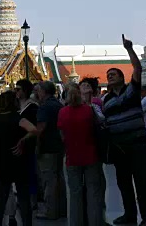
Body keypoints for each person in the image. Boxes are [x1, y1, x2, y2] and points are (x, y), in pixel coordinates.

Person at [102, 35, 146, 226]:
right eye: (108, 75)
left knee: (142, 182)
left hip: (137, 143)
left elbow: (138, 68)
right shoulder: (106, 100)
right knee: (124, 183)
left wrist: (129, 49)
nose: (110, 77)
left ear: (122, 78)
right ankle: (130, 215)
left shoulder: (131, 90)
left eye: (113, 74)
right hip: (119, 147)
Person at [58, 82, 106, 226]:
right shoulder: (88, 110)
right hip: (90, 154)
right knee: (93, 192)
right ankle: (95, 222)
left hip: (72, 156)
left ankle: (76, 222)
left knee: (75, 194)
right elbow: (99, 126)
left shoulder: (62, 112)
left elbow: (62, 135)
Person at [0, 90, 38, 226]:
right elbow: (34, 130)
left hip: (1, 161)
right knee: (23, 198)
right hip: (17, 160)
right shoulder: (18, 118)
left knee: (1, 199)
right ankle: (27, 223)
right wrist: (23, 140)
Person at [35, 80, 67, 220]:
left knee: (49, 180)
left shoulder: (44, 107)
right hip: (59, 146)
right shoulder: (58, 105)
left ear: (43, 91)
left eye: (38, 90)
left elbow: (40, 128)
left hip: (47, 147)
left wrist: (35, 145)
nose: (37, 93)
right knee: (59, 178)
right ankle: (61, 208)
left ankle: (51, 211)